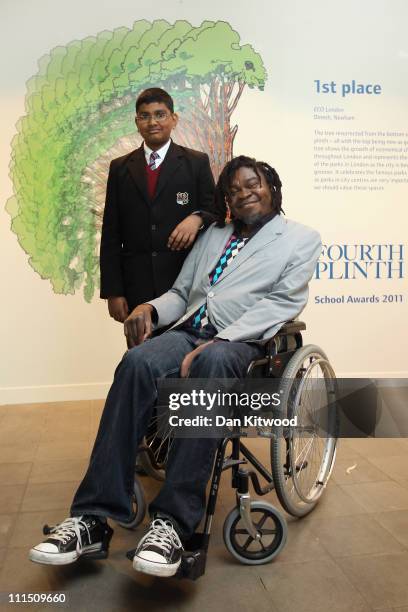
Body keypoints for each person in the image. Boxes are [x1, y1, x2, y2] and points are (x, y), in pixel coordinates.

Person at [29, 156, 322, 578]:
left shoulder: (300, 239)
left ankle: (172, 524)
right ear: (226, 199)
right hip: (188, 332)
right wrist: (149, 306)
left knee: (213, 361)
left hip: (241, 345)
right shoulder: (213, 235)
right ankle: (91, 518)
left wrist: (220, 340)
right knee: (136, 361)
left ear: (272, 187)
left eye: (253, 184)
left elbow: (283, 302)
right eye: (235, 189)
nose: (245, 193)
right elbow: (183, 293)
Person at [100, 87, 215, 322]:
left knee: (182, 353)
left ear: (174, 119)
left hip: (184, 283)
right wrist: (113, 291)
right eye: (145, 116)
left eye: (160, 114)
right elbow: (111, 232)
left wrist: (197, 217)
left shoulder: (196, 162)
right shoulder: (120, 167)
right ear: (137, 121)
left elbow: (215, 211)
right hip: (136, 287)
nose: (152, 122)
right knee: (141, 356)